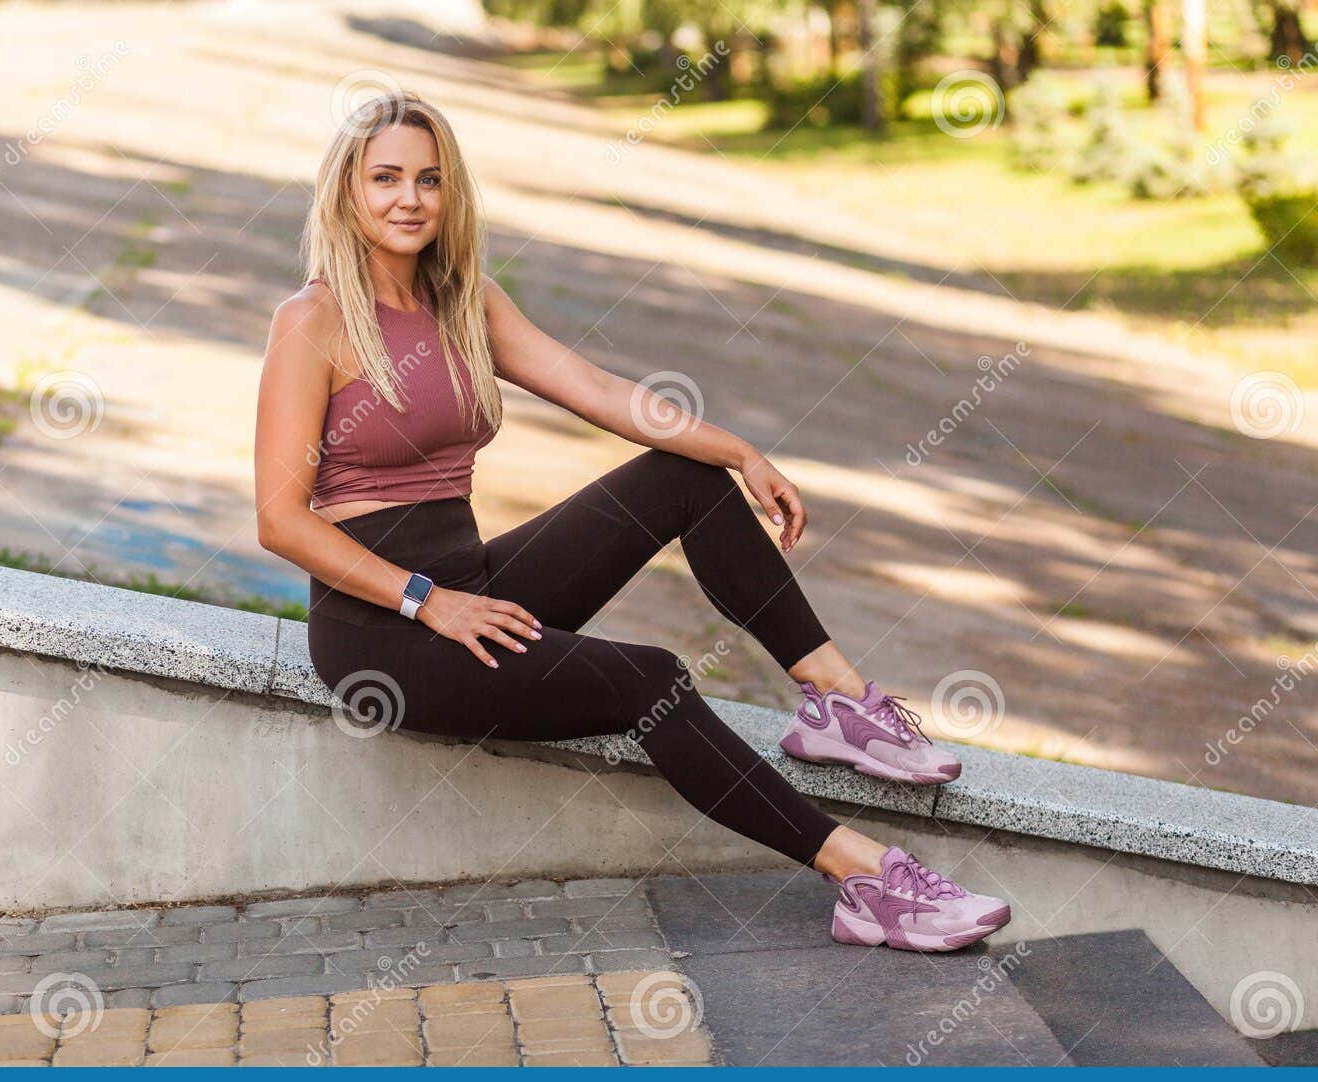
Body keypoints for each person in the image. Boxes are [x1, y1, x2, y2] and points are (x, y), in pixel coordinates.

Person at [253, 91, 1010, 953]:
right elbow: (279, 519)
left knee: (679, 476)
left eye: (429, 179)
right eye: (385, 177)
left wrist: (737, 452)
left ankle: (838, 701)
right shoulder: (311, 320)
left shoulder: (463, 300)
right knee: (650, 679)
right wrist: (427, 600)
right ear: (346, 187)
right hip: (380, 632)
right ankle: (866, 877)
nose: (409, 199)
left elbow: (603, 392)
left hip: (471, 588)